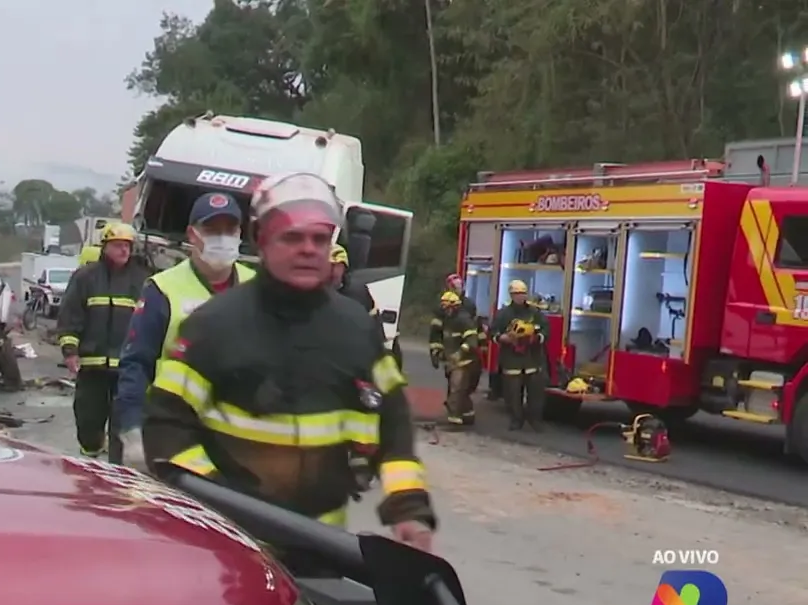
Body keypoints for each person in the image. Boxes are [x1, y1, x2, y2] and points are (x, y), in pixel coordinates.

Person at [140, 172, 435, 551]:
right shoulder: (214, 325)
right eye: (292, 237)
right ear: (262, 240)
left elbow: (392, 420)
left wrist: (407, 507)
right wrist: (216, 500)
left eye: (320, 238)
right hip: (229, 546)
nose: (309, 249)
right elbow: (166, 424)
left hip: (324, 547)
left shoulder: (357, 328)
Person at [114, 192, 255, 470]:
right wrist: (132, 431)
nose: (222, 238)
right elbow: (136, 364)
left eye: (230, 230)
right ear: (192, 234)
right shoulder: (162, 289)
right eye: (212, 230)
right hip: (176, 433)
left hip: (239, 436)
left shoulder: (257, 287)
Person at [56, 222, 151, 459]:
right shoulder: (86, 277)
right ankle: (90, 463)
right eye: (118, 245)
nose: (124, 251)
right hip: (92, 367)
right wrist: (70, 350)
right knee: (88, 422)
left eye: (127, 246)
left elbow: (150, 322)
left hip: (127, 368)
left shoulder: (143, 279)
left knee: (123, 427)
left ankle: (116, 473)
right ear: (105, 246)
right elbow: (70, 315)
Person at [489, 279, 549, 431]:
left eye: (523, 294)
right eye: (517, 294)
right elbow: (493, 332)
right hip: (512, 359)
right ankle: (516, 420)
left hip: (532, 358)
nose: (521, 297)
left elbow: (546, 329)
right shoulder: (504, 314)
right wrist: (503, 338)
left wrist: (537, 338)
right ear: (511, 295)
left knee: (536, 394)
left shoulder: (534, 312)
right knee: (512, 394)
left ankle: (535, 420)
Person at [430, 291, 480, 427]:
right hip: (453, 363)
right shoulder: (447, 320)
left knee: (456, 390)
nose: (445, 311)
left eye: (447, 308)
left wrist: (460, 353)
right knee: (461, 392)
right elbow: (438, 339)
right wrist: (436, 353)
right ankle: (468, 417)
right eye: (444, 308)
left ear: (454, 307)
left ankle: (454, 421)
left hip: (465, 362)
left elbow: (472, 341)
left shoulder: (464, 320)